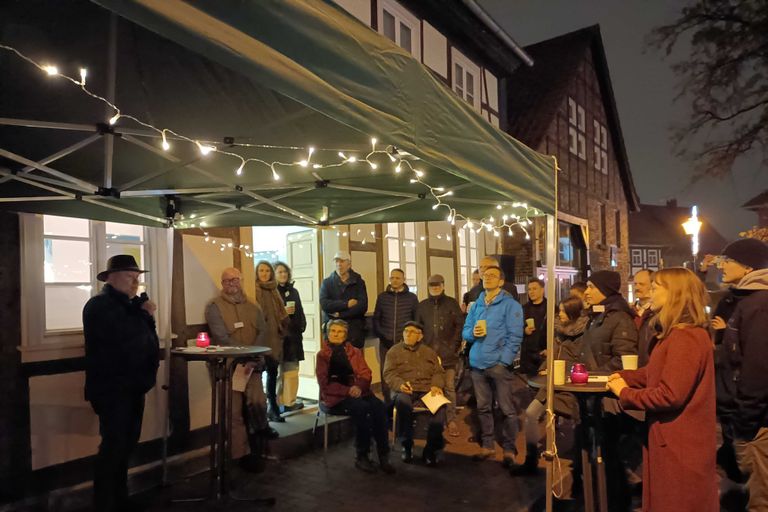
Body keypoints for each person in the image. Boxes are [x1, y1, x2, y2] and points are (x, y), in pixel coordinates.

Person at [608, 267, 718, 512]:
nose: (651, 293)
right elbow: (656, 372)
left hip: (680, 445)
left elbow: (670, 395)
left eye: (657, 288)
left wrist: (625, 393)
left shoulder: (685, 337)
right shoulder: (676, 334)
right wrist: (625, 376)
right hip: (674, 441)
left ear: (675, 294)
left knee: (676, 503)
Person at [83, 255, 159, 512]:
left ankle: (120, 499)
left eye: (138, 278)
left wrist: (144, 315)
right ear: (111, 277)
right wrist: (145, 313)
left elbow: (148, 342)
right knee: (113, 447)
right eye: (130, 276)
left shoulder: (129, 307)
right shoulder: (99, 306)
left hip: (134, 386)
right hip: (112, 389)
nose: (135, 283)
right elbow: (127, 341)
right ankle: (104, 504)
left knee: (127, 444)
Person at [512, 297, 588, 510]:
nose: (560, 315)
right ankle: (531, 458)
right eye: (560, 311)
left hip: (571, 387)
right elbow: (553, 354)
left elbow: (581, 360)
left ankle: (572, 474)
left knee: (572, 424)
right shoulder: (557, 331)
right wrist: (546, 365)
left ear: (573, 313)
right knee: (530, 414)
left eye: (563, 312)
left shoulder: (584, 334)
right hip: (550, 386)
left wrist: (565, 370)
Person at [714, 238, 768, 510]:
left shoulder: (759, 304)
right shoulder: (744, 300)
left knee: (760, 500)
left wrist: (745, 420)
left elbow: (758, 370)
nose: (721, 266)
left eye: (728, 260)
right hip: (747, 419)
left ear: (747, 266)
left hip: (756, 423)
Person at [205, 267, 276, 472]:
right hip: (230, 368)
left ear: (241, 281)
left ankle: (259, 439)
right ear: (222, 283)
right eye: (227, 280)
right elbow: (222, 338)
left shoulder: (253, 307)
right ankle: (240, 455)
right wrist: (244, 357)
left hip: (252, 366)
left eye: (235, 279)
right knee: (233, 412)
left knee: (258, 403)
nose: (231, 283)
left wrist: (254, 358)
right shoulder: (214, 307)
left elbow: (263, 331)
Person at [580, 270, 638, 511]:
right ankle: (601, 499)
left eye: (591, 287)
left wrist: (593, 376)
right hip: (594, 395)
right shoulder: (598, 315)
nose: (586, 291)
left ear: (604, 290)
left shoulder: (619, 318)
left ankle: (615, 503)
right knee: (599, 452)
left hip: (608, 397)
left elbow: (624, 358)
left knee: (611, 455)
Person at [462, 266, 524, 466]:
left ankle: (509, 448)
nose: (487, 278)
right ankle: (487, 445)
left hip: (498, 365)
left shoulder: (511, 305)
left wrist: (503, 361)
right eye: (484, 276)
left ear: (501, 281)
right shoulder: (477, 304)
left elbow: (515, 337)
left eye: (492, 276)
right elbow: (466, 330)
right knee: (483, 407)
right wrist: (473, 335)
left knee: (507, 408)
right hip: (477, 363)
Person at [316, 319, 394, 474]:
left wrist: (358, 386)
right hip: (336, 397)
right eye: (333, 331)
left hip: (359, 392)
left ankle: (383, 454)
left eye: (340, 332)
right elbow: (325, 383)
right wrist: (348, 390)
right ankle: (362, 455)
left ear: (345, 335)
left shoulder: (354, 351)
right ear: (328, 333)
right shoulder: (323, 355)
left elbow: (366, 373)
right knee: (362, 409)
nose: (336, 334)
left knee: (380, 408)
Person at [384, 321, 447, 465]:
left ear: (420, 336)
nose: (408, 334)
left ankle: (430, 449)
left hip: (426, 389)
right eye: (406, 331)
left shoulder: (429, 352)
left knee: (440, 407)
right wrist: (400, 385)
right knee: (403, 403)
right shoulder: (394, 351)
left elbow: (438, 372)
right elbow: (389, 373)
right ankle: (407, 445)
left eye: (412, 332)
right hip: (405, 389)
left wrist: (436, 385)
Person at [416, 274, 464, 437]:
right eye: (432, 285)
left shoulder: (452, 303)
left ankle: (450, 420)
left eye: (438, 285)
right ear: (428, 287)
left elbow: (459, 326)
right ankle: (436, 418)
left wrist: (453, 346)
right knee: (432, 387)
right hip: (428, 355)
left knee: (449, 387)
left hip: (448, 355)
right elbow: (417, 329)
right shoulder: (422, 306)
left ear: (443, 286)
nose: (435, 288)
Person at [372, 268, 418, 404]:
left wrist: (407, 337)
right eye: (392, 277)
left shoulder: (412, 298)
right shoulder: (382, 297)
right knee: (386, 373)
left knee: (405, 373)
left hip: (404, 343)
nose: (394, 280)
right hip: (385, 343)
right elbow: (376, 319)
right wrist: (382, 334)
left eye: (397, 278)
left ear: (404, 280)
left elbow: (415, 321)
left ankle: (404, 404)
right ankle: (388, 405)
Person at [253, 260, 290, 423]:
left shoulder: (274, 289)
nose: (265, 274)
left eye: (267, 271)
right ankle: (260, 410)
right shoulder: (254, 289)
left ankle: (273, 407)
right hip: (260, 337)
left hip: (274, 337)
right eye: (261, 270)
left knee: (273, 373)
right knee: (258, 374)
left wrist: (283, 324)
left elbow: (281, 312)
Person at [274, 262, 307, 413]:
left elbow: (300, 311)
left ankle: (289, 401)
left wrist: (302, 326)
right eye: (280, 272)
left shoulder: (294, 291)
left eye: (285, 272)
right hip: (278, 337)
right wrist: (284, 312)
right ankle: (278, 402)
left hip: (294, 336)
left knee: (292, 370)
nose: (283, 275)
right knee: (278, 371)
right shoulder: (272, 293)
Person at [320, 251, 369, 348]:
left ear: (349, 264)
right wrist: (346, 304)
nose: (339, 264)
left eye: (342, 261)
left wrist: (340, 314)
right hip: (333, 331)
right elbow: (325, 304)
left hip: (353, 331)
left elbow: (362, 306)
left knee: (354, 361)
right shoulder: (327, 283)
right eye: (336, 261)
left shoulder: (358, 282)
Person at [520, 278, 548, 376]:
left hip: (543, 352)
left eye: (534, 289)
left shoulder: (550, 307)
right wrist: (524, 331)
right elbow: (516, 328)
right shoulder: (524, 308)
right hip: (527, 354)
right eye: (529, 289)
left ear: (542, 290)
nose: (531, 292)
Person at [631, 269, 654, 367]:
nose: (637, 287)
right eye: (635, 284)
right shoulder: (629, 311)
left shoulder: (657, 312)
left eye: (641, 284)